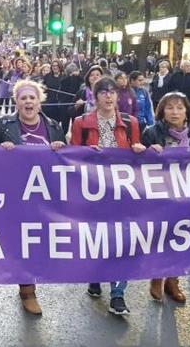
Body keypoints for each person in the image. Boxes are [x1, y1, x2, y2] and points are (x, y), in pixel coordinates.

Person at [0, 80, 66, 316]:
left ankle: (29, 281)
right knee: (21, 241)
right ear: (16, 102)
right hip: (14, 195)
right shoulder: (3, 125)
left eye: (32, 98)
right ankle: (27, 289)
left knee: (39, 240)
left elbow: (66, 161)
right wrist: (1, 150)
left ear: (39, 101)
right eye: (23, 98)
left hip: (43, 195)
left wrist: (62, 147)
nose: (28, 102)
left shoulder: (54, 126)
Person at [70, 77, 145, 316]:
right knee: (97, 238)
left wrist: (139, 150)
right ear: (95, 95)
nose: (109, 96)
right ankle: (95, 274)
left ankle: (118, 294)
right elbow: (72, 157)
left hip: (122, 192)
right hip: (92, 191)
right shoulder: (82, 122)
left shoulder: (130, 123)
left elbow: (137, 153)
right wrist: (84, 153)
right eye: (103, 92)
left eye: (113, 92)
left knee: (121, 241)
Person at [140, 92, 190, 304]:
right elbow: (136, 163)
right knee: (161, 237)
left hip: (188, 194)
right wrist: (147, 151)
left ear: (187, 113)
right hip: (161, 194)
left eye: (179, 108)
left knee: (182, 239)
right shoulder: (151, 132)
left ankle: (173, 280)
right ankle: (156, 276)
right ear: (162, 111)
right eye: (169, 107)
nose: (174, 112)